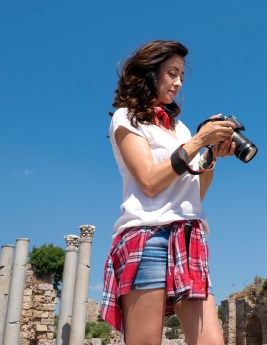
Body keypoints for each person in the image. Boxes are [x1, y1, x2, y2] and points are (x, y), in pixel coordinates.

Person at [100, 40, 239, 345]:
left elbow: (193, 196)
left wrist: (210, 155)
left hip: (188, 236)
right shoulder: (126, 118)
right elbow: (149, 180)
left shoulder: (181, 130)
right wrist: (196, 143)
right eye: (171, 73)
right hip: (147, 237)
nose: (177, 83)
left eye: (181, 77)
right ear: (150, 74)